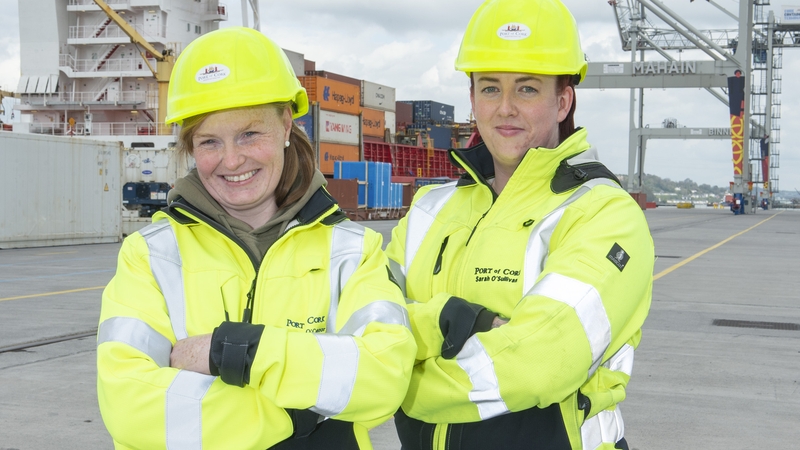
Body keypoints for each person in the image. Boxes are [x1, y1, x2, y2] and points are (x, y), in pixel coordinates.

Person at [97, 27, 416, 450]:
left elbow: (383, 377)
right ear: (191, 148)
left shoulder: (352, 251)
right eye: (210, 141)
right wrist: (292, 413)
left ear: (286, 124)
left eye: (249, 134)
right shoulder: (151, 255)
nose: (232, 160)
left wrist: (239, 352)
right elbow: (128, 405)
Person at [385, 1, 654, 449]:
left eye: (526, 89)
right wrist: (444, 322)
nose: (505, 108)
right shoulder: (430, 208)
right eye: (490, 89)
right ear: (472, 99)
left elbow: (537, 363)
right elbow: (368, 321)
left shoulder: (604, 214)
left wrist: (387, 382)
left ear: (562, 101)